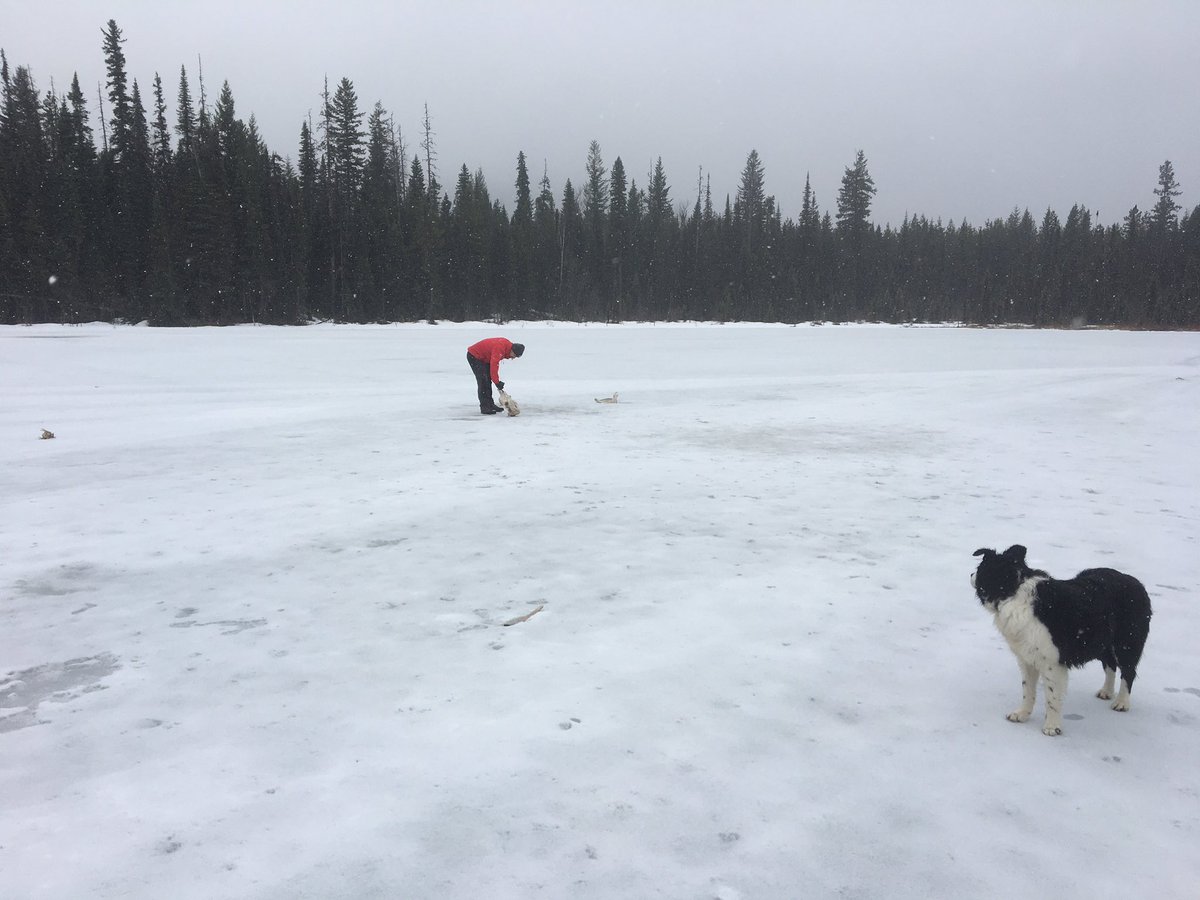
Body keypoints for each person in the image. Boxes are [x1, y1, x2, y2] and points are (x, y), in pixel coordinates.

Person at [466, 337, 524, 414]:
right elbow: (494, 365)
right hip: (475, 356)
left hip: (484, 358)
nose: (513, 358)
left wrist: (495, 381)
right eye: (514, 355)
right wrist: (497, 382)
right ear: (512, 350)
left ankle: (490, 404)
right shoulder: (500, 348)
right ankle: (485, 407)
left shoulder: (506, 347)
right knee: (483, 381)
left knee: (487, 380)